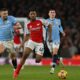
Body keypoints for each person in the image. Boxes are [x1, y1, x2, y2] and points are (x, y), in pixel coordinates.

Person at [13, 9, 52, 78]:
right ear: (29, 15)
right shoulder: (28, 24)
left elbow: (50, 25)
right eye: (31, 14)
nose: (33, 15)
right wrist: (22, 44)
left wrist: (50, 36)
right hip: (31, 41)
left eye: (34, 14)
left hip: (40, 43)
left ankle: (37, 57)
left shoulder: (41, 21)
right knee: (24, 55)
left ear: (36, 15)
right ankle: (17, 71)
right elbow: (27, 35)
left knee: (38, 60)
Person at [46, 9, 65, 74]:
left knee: (54, 53)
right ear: (49, 14)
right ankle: (59, 59)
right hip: (49, 40)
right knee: (54, 55)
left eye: (54, 12)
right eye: (51, 12)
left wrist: (62, 32)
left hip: (56, 39)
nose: (52, 13)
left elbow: (60, 27)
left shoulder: (58, 20)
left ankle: (52, 69)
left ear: (55, 14)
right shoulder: (46, 21)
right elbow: (45, 29)